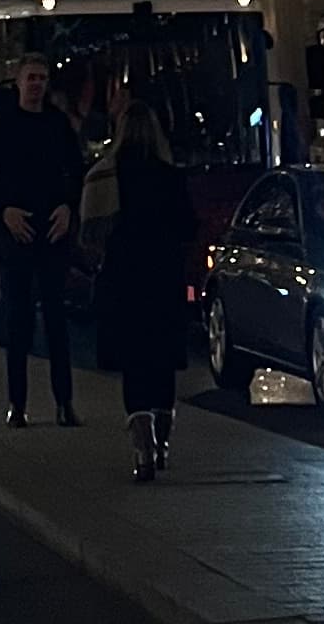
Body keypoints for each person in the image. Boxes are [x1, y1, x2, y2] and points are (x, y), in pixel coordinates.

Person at [0, 57, 83, 428]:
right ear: (18, 83)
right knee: (18, 320)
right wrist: (4, 211)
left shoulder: (57, 124)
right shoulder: (1, 125)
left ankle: (64, 402)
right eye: (31, 78)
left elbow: (77, 171)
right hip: (15, 233)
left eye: (42, 78)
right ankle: (17, 405)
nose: (37, 84)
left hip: (52, 230)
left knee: (55, 320)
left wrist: (67, 207)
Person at [95, 106, 197, 481]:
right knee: (162, 362)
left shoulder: (108, 175)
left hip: (124, 279)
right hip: (164, 278)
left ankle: (142, 450)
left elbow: (92, 228)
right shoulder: (171, 177)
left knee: (134, 363)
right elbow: (189, 226)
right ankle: (163, 442)